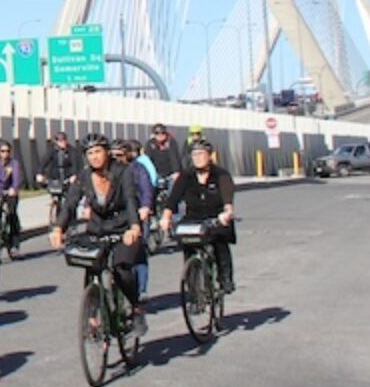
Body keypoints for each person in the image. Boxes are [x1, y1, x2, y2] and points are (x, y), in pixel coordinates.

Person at [54, 133, 147, 336]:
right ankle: (92, 313)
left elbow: (131, 199)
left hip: (122, 228)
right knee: (91, 264)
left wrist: (134, 227)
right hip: (97, 228)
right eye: (90, 153)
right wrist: (58, 227)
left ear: (106, 152)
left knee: (121, 268)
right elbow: (70, 203)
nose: (94, 156)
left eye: (98, 151)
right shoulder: (84, 176)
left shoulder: (123, 172)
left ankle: (136, 307)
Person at [164, 135, 237, 292]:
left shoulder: (220, 174)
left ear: (209, 155)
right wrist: (166, 215)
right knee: (188, 245)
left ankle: (225, 278)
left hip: (216, 217)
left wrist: (227, 211)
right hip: (193, 218)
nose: (197, 158)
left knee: (219, 241)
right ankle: (193, 290)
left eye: (201, 154)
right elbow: (174, 197)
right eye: (194, 154)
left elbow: (227, 195)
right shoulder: (186, 176)